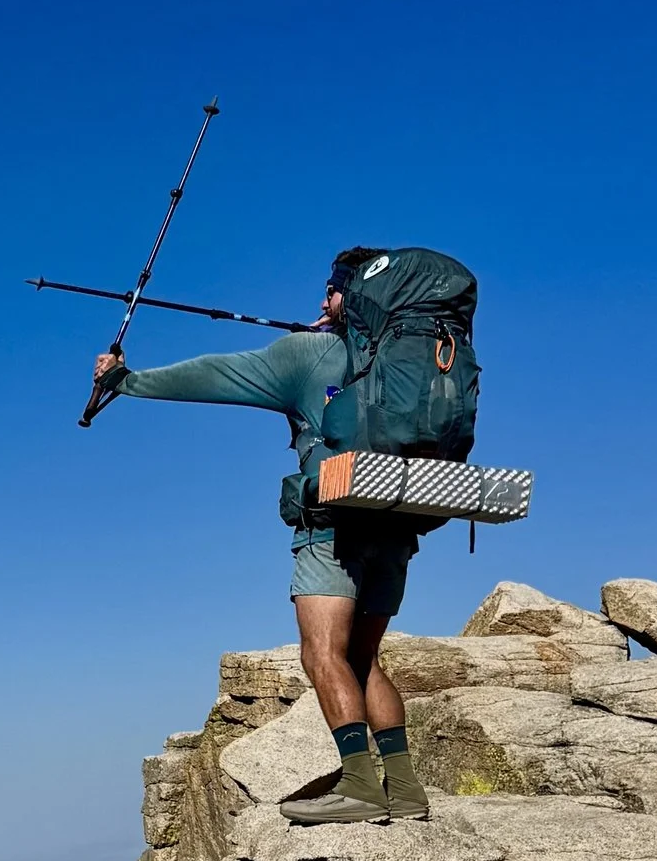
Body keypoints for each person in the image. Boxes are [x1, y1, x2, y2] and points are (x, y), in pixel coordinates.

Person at [93, 248, 430, 825]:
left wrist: (126, 380)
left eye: (331, 290)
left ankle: (359, 785)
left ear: (351, 297)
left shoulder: (307, 354)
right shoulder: (413, 358)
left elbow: (214, 376)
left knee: (323, 653)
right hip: (399, 522)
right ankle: (403, 786)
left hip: (332, 526)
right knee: (363, 656)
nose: (321, 299)